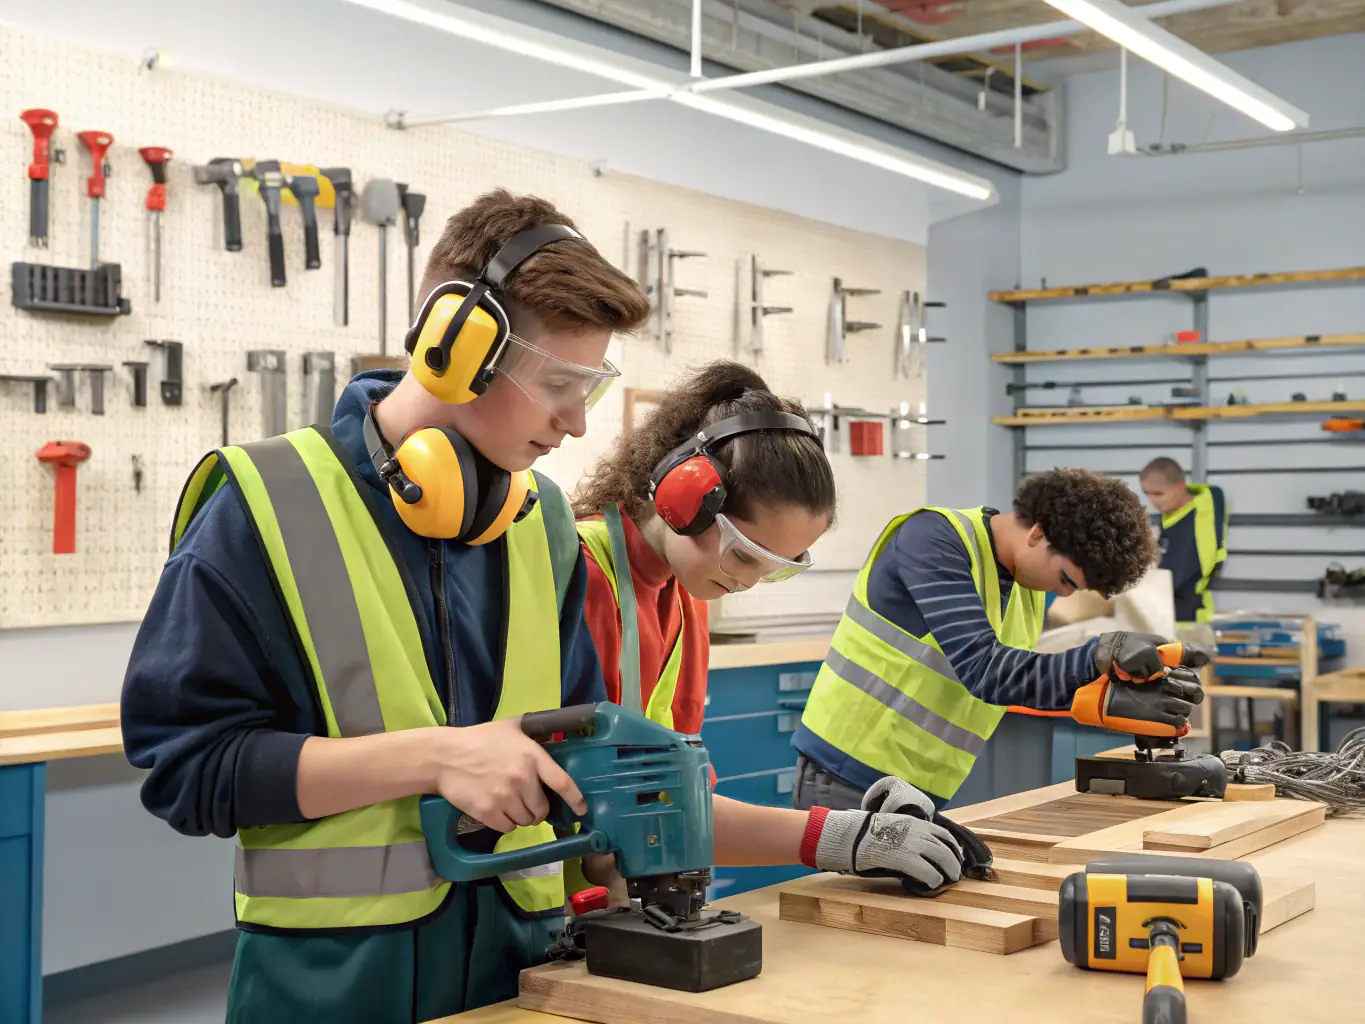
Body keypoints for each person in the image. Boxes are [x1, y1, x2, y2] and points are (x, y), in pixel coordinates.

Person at [120, 189, 654, 1023]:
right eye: (558, 383)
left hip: (518, 979)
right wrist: (435, 759)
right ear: (455, 348)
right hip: (330, 988)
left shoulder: (543, 523)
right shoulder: (264, 502)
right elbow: (189, 771)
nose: (577, 425)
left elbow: (575, 741)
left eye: (590, 386)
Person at [570, 361, 974, 896]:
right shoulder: (583, 576)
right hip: (551, 900)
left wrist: (862, 824)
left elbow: (681, 800)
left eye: (775, 566)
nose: (749, 582)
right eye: (745, 554)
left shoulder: (687, 596)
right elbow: (595, 799)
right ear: (683, 499)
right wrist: (839, 835)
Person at [791, 468, 1209, 812]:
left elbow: (1016, 679)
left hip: (920, 789)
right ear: (1038, 533)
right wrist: (1098, 656)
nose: (1064, 594)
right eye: (1066, 579)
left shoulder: (1027, 583)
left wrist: (1111, 690)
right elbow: (984, 669)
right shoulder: (932, 539)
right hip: (847, 775)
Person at [1140, 457, 1229, 624]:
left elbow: (1179, 573)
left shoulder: (1198, 520)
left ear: (1181, 485)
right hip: (1167, 615)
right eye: (1147, 494)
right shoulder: (1174, 517)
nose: (1153, 501)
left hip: (1190, 618)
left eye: (1158, 493)